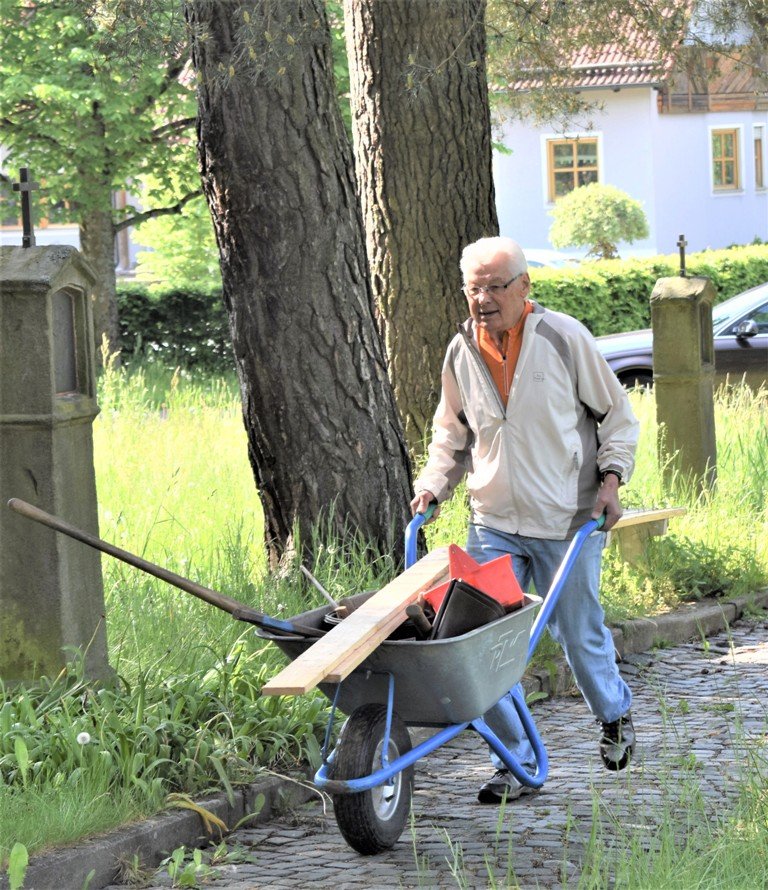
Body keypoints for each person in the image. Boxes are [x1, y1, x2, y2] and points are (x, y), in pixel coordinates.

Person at [410, 236, 639, 804]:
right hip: (492, 522)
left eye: (495, 286)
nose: (483, 299)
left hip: (567, 520)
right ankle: (514, 761)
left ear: (524, 286)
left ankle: (614, 713)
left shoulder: (564, 338)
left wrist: (612, 481)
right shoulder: (461, 349)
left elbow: (617, 417)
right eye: (474, 288)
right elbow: (451, 434)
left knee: (578, 635)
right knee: (480, 644)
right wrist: (432, 485)